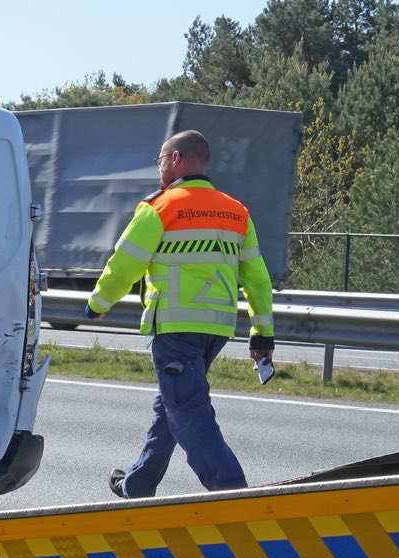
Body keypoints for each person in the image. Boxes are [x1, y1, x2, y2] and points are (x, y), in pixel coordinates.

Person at [86, 129, 274, 498]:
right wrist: (262, 333)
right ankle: (137, 485)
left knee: (187, 410)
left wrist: (98, 304)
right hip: (217, 328)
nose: (159, 168)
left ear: (175, 160)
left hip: (175, 325)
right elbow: (257, 279)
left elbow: (125, 263)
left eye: (160, 160)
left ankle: (230, 491)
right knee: (171, 404)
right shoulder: (236, 211)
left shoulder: (162, 207)